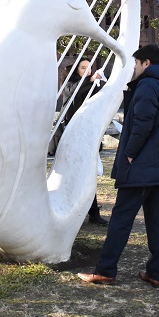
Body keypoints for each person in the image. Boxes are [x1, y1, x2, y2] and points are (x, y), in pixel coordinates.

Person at [78, 44, 159, 288]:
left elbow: (142, 124)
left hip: (143, 167)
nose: (134, 68)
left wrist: (130, 154)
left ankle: (105, 270)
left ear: (146, 63)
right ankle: (155, 272)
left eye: (136, 63)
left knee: (121, 219)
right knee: (157, 220)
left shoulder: (147, 85)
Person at [51, 58, 109, 225]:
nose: (87, 70)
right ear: (76, 69)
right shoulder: (70, 84)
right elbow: (73, 93)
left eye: (89, 67)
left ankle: (93, 212)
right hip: (70, 136)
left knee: (87, 173)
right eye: (83, 67)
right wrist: (90, 80)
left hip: (87, 134)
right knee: (71, 174)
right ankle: (72, 209)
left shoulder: (92, 84)